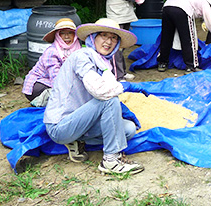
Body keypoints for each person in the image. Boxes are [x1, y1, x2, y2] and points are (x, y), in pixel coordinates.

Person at [44, 18, 146, 174]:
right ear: (93, 38)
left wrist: (123, 111)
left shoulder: (104, 63)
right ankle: (111, 161)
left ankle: (77, 141)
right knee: (108, 99)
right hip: (61, 124)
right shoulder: (82, 56)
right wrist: (126, 86)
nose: (108, 41)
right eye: (103, 35)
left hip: (81, 120)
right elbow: (100, 91)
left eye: (113, 38)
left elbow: (107, 89)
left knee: (128, 129)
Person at [22, 18, 81, 107]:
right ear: (57, 35)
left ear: (75, 35)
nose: (66, 36)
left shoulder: (78, 49)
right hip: (41, 83)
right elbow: (55, 77)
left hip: (63, 81)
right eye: (62, 33)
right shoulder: (52, 52)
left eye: (70, 33)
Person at [157, 0, 211, 73]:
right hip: (182, 9)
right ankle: (191, 66)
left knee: (166, 37)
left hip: (167, 7)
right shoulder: (205, 2)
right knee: (189, 39)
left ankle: (162, 62)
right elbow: (210, 22)